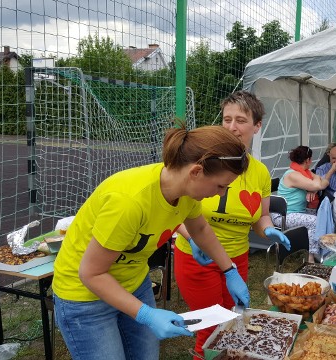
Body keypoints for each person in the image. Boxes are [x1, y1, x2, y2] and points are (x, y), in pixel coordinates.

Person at [52, 125, 252, 360]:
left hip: (133, 284)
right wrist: (146, 315)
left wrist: (229, 270)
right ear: (196, 171)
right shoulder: (128, 202)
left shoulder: (185, 191)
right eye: (220, 186)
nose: (220, 194)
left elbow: (200, 228)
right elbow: (91, 274)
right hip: (85, 297)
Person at [173, 91, 290, 360]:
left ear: (257, 126)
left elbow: (260, 217)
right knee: (210, 328)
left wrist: (268, 229)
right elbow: (175, 213)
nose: (232, 127)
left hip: (236, 260)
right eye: (227, 119)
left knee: (232, 322)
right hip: (197, 259)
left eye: (240, 120)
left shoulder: (259, 172)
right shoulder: (201, 162)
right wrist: (191, 238)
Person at [272, 145, 330, 262]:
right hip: (283, 215)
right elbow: (319, 184)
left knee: (321, 215)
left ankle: (320, 249)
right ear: (308, 160)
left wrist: (313, 186)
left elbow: (325, 182)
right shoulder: (293, 175)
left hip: (296, 212)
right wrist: (314, 185)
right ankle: (310, 258)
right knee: (314, 221)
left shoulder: (304, 172)